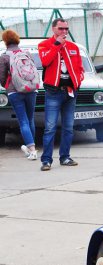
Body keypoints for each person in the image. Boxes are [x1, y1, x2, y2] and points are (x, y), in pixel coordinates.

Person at [38, 18, 84, 171]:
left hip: (70, 92)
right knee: (50, 127)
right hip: (53, 92)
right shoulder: (44, 45)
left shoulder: (73, 47)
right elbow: (45, 61)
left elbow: (79, 68)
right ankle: (46, 160)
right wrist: (57, 44)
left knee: (69, 128)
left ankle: (65, 157)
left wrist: (79, 80)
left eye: (66, 29)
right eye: (61, 29)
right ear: (53, 29)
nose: (64, 32)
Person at [0, 29, 38, 160]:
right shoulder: (26, 53)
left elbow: (2, 77)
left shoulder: (4, 56)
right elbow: (33, 69)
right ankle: (30, 148)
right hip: (31, 89)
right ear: (17, 39)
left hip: (15, 91)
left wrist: (8, 86)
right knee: (30, 119)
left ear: (5, 41)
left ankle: (32, 151)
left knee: (23, 121)